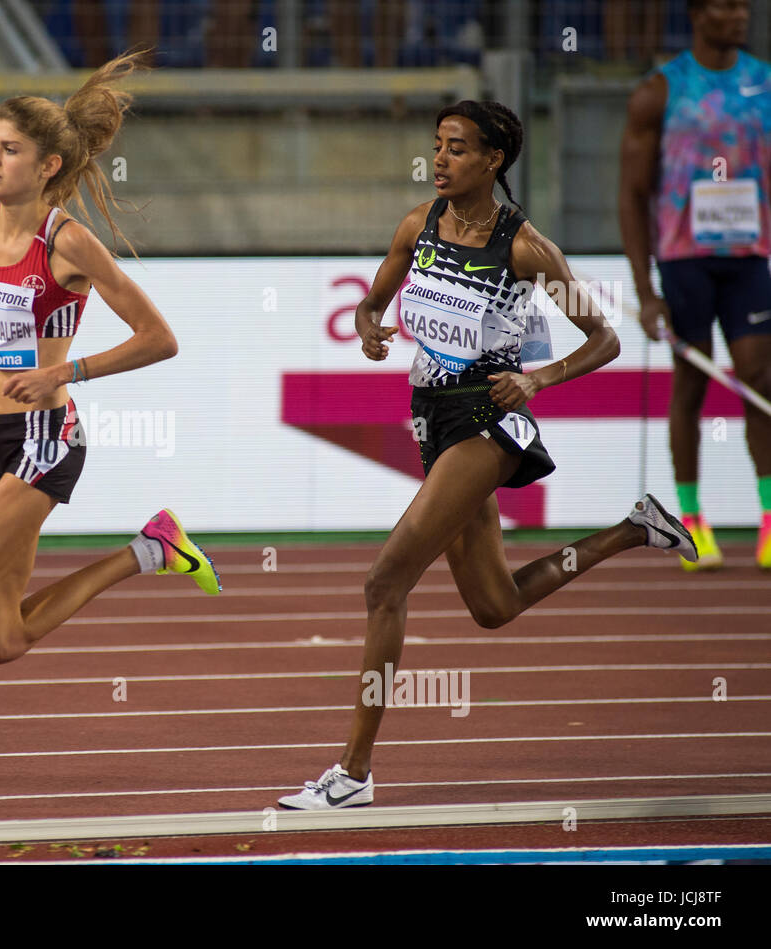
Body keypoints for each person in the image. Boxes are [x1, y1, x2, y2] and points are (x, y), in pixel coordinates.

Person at [279, 100, 697, 811]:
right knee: (494, 605)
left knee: (385, 582)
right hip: (430, 419)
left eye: (459, 149)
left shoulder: (525, 247)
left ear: (494, 160)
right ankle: (636, 527)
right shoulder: (419, 226)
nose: (440, 160)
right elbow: (372, 304)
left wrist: (536, 377)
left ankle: (353, 773)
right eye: (437, 146)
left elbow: (605, 340)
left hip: (487, 421)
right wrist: (369, 328)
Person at [0, 50, 221, 827]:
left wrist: (68, 374)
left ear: (48, 163)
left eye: (9, 149)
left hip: (45, 439)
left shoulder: (68, 244)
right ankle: (151, 548)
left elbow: (160, 338)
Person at [619, 0, 771, 571]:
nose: (740, 15)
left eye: (744, 6)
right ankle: (694, 522)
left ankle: (769, 522)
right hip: (684, 259)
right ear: (698, 13)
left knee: (760, 378)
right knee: (693, 382)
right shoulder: (661, 91)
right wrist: (645, 288)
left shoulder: (764, 84)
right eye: (726, 5)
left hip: (750, 256)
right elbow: (632, 193)